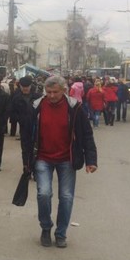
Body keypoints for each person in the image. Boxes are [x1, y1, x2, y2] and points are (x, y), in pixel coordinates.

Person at [20, 75, 97, 248]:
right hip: (43, 158)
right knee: (43, 194)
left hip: (67, 159)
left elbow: (86, 134)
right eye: (48, 92)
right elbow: (26, 136)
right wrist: (26, 161)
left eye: (55, 92)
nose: (52, 96)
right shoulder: (36, 107)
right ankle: (46, 227)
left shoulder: (74, 108)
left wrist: (91, 160)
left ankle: (61, 233)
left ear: (64, 91)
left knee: (66, 197)